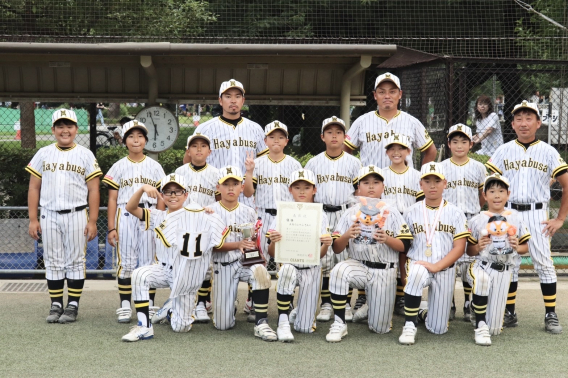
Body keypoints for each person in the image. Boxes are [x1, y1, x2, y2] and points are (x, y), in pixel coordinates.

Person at [486, 101, 568, 334]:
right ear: (512, 124)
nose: (523, 123)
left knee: (544, 263)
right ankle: (510, 311)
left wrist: (560, 218)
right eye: (519, 119)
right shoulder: (503, 150)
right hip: (509, 213)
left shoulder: (549, 151)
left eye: (529, 118)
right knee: (509, 261)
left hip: (537, 213)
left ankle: (550, 313)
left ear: (538, 123)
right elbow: (489, 184)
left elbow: (566, 183)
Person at [121, 174, 227, 341]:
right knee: (139, 275)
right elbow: (130, 208)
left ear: (186, 195)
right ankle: (144, 326)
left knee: (181, 327)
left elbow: (216, 238)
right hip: (163, 269)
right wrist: (142, 189)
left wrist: (208, 213)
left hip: (185, 274)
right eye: (168, 192)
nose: (172, 196)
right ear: (162, 195)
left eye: (177, 192)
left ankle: (170, 310)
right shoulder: (157, 215)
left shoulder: (198, 215)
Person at [26, 108, 102, 323]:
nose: (65, 130)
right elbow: (34, 188)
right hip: (48, 213)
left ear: (76, 129)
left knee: (76, 260)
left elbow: (94, 189)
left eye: (69, 125)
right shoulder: (43, 153)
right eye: (60, 126)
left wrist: (93, 220)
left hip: (77, 213)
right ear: (53, 129)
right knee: (52, 260)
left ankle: (73, 304)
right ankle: (56, 303)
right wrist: (33, 219)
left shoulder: (85, 154)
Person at [325, 166, 413, 342]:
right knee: (338, 271)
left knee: (380, 329)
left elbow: (405, 245)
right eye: (366, 183)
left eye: (376, 182)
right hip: (358, 265)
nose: (371, 187)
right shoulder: (351, 212)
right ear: (358, 188)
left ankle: (370, 307)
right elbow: (336, 248)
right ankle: (339, 322)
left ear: (383, 187)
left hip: (384, 270)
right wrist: (347, 235)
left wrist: (387, 239)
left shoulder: (392, 212)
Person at [102, 120, 166, 323]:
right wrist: (111, 227)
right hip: (125, 214)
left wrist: (160, 221)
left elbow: (162, 198)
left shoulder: (154, 166)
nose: (136, 140)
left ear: (146, 140)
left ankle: (150, 302)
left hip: (148, 213)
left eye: (140, 136)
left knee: (150, 263)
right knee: (126, 262)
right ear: (124, 140)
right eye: (131, 136)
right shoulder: (118, 166)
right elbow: (112, 198)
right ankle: (125, 304)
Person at [398, 163, 470, 345]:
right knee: (415, 274)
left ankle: (421, 312)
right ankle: (409, 325)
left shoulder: (456, 213)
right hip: (419, 264)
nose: (432, 185)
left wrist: (437, 266)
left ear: (445, 183)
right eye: (427, 181)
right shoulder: (410, 212)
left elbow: (459, 247)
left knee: (438, 329)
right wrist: (403, 273)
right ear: (420, 184)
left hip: (444, 269)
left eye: (437, 181)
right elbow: (404, 248)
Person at [208, 166, 277, 341]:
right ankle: (228, 305)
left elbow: (253, 241)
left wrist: (252, 244)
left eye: (235, 183)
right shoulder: (209, 211)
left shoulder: (249, 211)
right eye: (226, 184)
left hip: (245, 263)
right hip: (223, 265)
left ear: (241, 186)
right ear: (218, 187)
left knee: (260, 271)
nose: (231, 188)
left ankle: (261, 322)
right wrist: (237, 244)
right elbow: (211, 246)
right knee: (223, 325)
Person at [304, 116, 362, 323]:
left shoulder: (354, 163)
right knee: (325, 260)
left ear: (345, 137)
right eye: (330, 132)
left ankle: (344, 302)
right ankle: (327, 303)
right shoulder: (313, 162)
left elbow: (359, 191)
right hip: (321, 213)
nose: (334, 136)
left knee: (343, 259)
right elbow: (308, 192)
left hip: (344, 213)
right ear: (322, 136)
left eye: (338, 132)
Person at [266, 169, 332, 342]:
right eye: (297, 187)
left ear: (314, 189)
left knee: (305, 329)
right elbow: (272, 253)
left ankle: (297, 312)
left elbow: (321, 255)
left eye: (306, 187)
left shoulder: (321, 215)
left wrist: (326, 243)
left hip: (312, 268)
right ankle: (282, 321)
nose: (302, 191)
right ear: (290, 190)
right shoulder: (283, 212)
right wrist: (273, 241)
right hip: (290, 265)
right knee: (286, 270)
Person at [465, 173, 531, 345]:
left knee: (495, 329)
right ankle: (480, 323)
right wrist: (478, 246)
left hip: (505, 270)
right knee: (482, 281)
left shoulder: (515, 217)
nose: (496, 195)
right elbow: (470, 251)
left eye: (501, 191)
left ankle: (476, 308)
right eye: (492, 191)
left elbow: (526, 247)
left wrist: (517, 246)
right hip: (482, 265)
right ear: (484, 195)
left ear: (508, 194)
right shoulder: (477, 219)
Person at [191, 79, 269, 208]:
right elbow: (191, 162)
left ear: (243, 101)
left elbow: (264, 164)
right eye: (228, 96)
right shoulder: (204, 129)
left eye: (237, 96)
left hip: (245, 199)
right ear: (220, 101)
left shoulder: (255, 129)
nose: (233, 100)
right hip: (212, 198)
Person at [440, 124, 486, 322]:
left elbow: (482, 195)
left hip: (471, 218)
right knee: (448, 261)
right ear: (449, 144)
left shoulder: (478, 167)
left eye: (464, 141)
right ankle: (449, 303)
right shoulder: (441, 167)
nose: (459, 145)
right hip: (448, 219)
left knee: (469, 262)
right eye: (455, 141)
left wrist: (475, 210)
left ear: (471, 144)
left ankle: (468, 302)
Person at [343, 72, 436, 169]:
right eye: (382, 92)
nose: (387, 96)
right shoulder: (361, 121)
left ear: (400, 94)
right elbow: (345, 149)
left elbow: (431, 150)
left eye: (392, 92)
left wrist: (421, 176)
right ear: (375, 95)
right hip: (371, 182)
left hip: (404, 183)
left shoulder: (412, 122)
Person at [174, 132, 220, 322]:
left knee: (205, 267)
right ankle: (184, 302)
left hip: (205, 224)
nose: (199, 149)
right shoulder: (180, 172)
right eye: (194, 146)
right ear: (188, 151)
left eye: (203, 146)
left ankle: (202, 303)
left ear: (209, 151)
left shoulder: (216, 173)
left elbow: (219, 200)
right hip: (184, 224)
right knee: (183, 264)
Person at [243, 121, 302, 261]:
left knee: (286, 258)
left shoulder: (294, 164)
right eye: (272, 136)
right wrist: (249, 172)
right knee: (260, 258)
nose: (276, 140)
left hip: (287, 216)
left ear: (287, 141)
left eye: (281, 137)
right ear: (265, 141)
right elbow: (248, 193)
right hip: (263, 216)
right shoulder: (257, 163)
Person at [380, 133, 423, 317]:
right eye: (392, 148)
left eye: (401, 148)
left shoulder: (416, 175)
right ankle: (384, 297)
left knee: (406, 258)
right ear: (387, 152)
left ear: (409, 151)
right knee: (388, 257)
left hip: (410, 220)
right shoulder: (381, 174)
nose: (396, 152)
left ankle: (404, 296)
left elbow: (421, 202)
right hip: (388, 220)